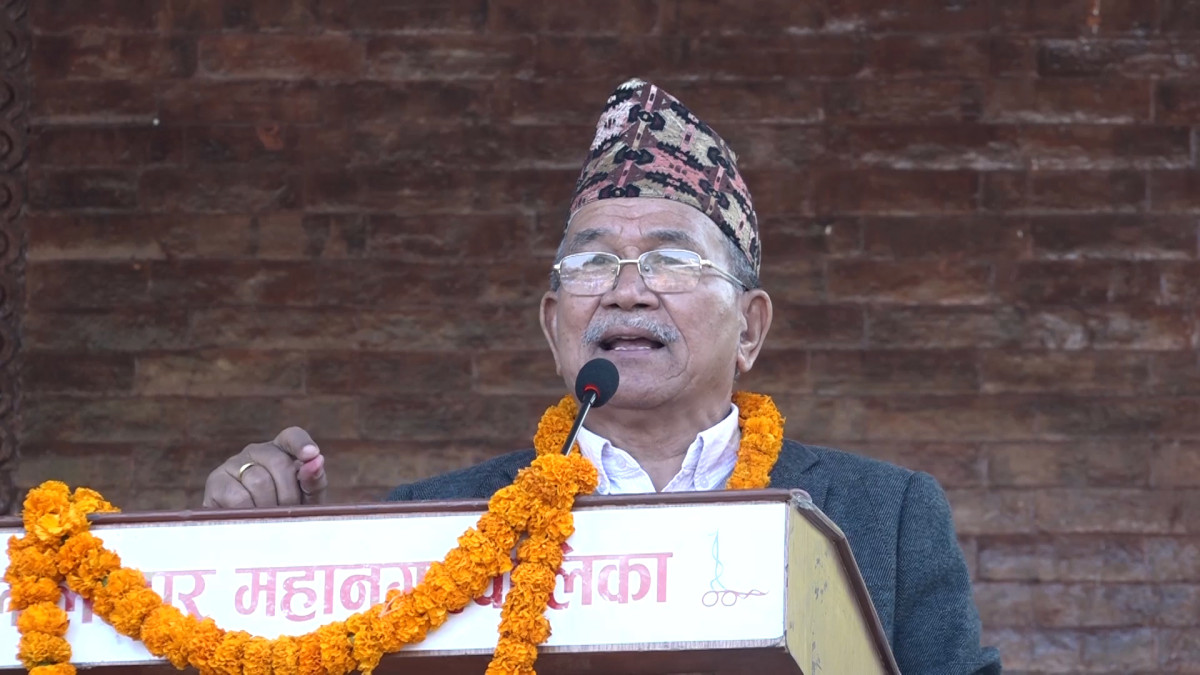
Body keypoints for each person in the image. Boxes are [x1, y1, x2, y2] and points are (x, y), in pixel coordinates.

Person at [204, 79, 1002, 674]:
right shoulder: (429, 522)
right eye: (593, 262)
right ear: (553, 324)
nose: (627, 288)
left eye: (669, 258)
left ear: (750, 327)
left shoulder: (887, 515)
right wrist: (258, 558)